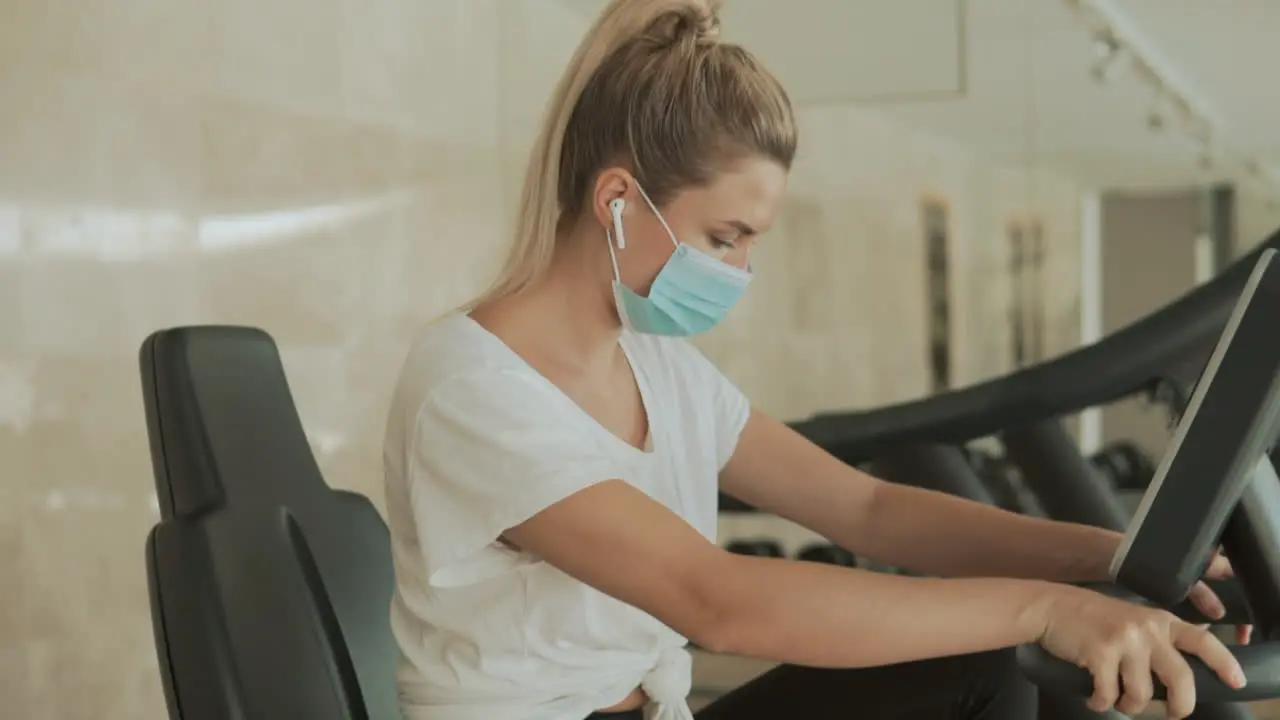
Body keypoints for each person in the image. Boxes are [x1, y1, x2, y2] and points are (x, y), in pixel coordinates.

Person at [381, 1, 1250, 718]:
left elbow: (866, 507)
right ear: (617, 200)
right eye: (724, 238)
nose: (737, 271)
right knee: (1015, 643)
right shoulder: (472, 387)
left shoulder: (658, 368)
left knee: (993, 668)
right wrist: (1045, 606)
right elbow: (714, 600)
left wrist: (1106, 558)